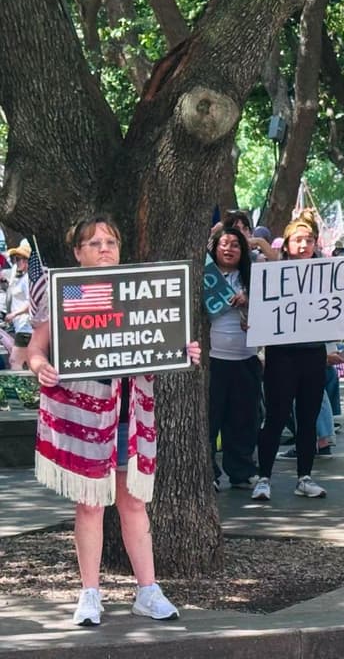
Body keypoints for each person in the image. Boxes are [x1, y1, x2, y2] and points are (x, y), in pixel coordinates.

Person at [27, 215, 201, 626]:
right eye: (94, 243)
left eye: (110, 242)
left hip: (131, 415)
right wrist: (41, 368)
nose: (104, 248)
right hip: (84, 416)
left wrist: (185, 351)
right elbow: (35, 349)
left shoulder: (141, 294)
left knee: (133, 502)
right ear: (78, 253)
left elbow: (164, 342)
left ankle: (148, 590)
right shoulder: (65, 292)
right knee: (89, 505)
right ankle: (90, 594)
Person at [252, 210, 329, 501]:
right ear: (286, 244)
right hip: (281, 355)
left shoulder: (326, 272)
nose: (303, 245)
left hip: (313, 354)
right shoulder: (271, 272)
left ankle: (305, 477)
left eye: (309, 240)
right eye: (298, 239)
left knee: (308, 419)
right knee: (275, 417)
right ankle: (264, 478)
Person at [207, 226, 261, 492]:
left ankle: (241, 472)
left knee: (243, 419)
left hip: (246, 359)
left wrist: (250, 301)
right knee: (210, 419)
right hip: (213, 360)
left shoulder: (254, 281)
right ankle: (209, 472)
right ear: (214, 248)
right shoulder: (204, 278)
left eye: (236, 245)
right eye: (224, 244)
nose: (229, 249)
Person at [6, 243, 33, 369]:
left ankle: (17, 388)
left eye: (18, 259)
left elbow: (31, 303)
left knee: (14, 362)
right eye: (14, 259)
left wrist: (14, 314)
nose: (15, 262)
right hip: (22, 327)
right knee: (28, 363)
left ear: (26, 260)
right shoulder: (21, 278)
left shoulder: (27, 279)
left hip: (25, 327)